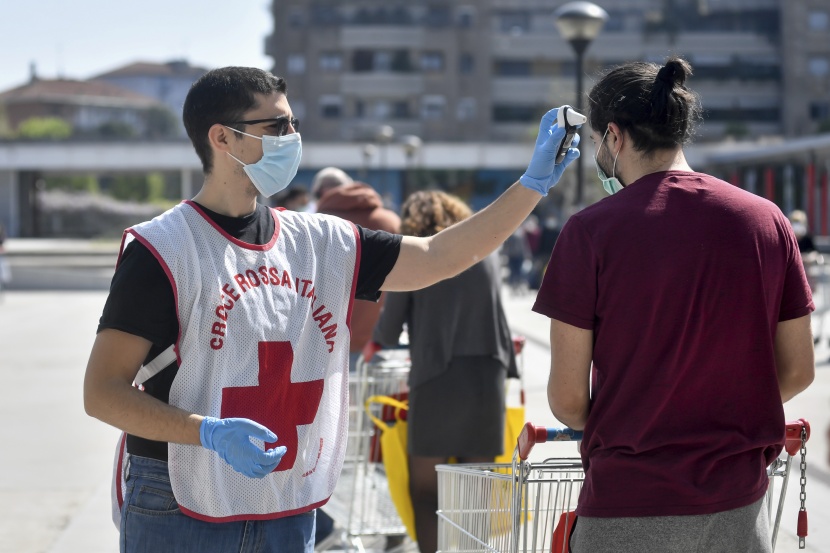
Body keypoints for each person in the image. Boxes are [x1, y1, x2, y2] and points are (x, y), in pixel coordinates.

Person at [81, 65, 580, 553]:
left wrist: (530, 186)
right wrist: (206, 432)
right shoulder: (164, 249)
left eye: (294, 124)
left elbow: (439, 257)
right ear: (223, 138)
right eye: (275, 126)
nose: (292, 137)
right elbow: (102, 392)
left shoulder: (321, 240)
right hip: (178, 498)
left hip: (286, 498)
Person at [533, 58, 815, 553]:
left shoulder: (590, 232)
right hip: (739, 506)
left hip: (627, 505)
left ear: (614, 138)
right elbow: (797, 370)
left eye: (598, 143)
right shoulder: (766, 220)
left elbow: (569, 401)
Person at [371, 190, 518, 553]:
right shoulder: (483, 250)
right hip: (487, 376)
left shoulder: (419, 252)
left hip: (436, 378)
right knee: (477, 488)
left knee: (425, 490)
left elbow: (389, 331)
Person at [311, 166, 401, 371]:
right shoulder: (390, 221)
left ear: (321, 192)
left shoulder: (315, 225)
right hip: (380, 340)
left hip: (328, 342)